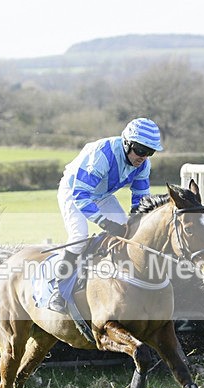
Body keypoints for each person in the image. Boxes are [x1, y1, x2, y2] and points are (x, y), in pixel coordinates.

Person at [48, 117, 164, 312]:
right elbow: (81, 195)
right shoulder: (103, 154)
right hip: (74, 190)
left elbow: (140, 200)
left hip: (102, 195)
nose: (143, 157)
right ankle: (57, 289)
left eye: (149, 152)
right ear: (127, 143)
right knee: (79, 236)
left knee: (128, 230)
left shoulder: (143, 165)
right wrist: (104, 223)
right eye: (140, 150)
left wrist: (137, 220)